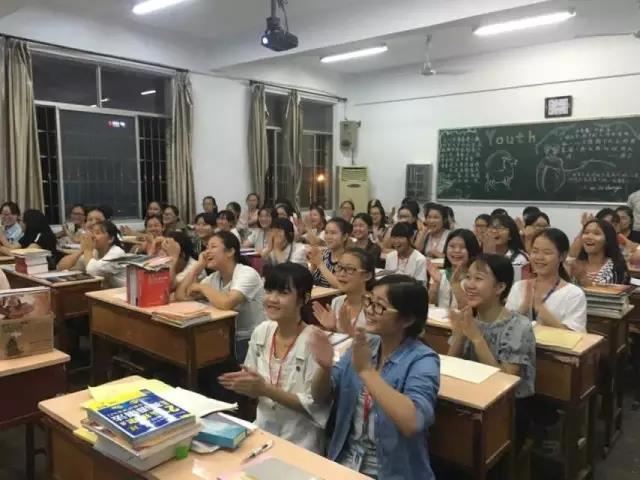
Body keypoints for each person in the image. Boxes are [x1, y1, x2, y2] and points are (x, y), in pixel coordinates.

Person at [309, 275, 440, 480]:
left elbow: (413, 422)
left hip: (392, 473)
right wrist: (324, 368)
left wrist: (367, 372)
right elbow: (319, 397)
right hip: (345, 462)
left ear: (407, 319)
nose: (369, 310)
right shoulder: (366, 343)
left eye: (380, 306)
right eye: (369, 301)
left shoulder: (423, 359)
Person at [218, 263, 329, 454]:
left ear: (304, 299)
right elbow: (253, 391)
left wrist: (265, 389)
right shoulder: (262, 331)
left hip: (301, 442)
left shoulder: (314, 341)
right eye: (269, 291)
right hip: (263, 434)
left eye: (283, 293)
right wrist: (246, 386)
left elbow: (314, 405)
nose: (272, 299)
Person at [447, 253, 536, 448]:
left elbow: (506, 382)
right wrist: (461, 332)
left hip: (508, 410)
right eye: (468, 277)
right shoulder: (469, 317)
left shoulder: (518, 326)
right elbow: (450, 364)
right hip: (472, 397)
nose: (470, 285)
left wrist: (476, 338)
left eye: (478, 279)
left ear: (500, 287)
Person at [176, 231, 265, 361]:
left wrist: (202, 287)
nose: (207, 252)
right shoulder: (214, 277)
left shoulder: (246, 273)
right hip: (224, 336)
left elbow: (227, 303)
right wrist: (197, 267)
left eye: (213, 247)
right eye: (206, 247)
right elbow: (181, 297)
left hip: (250, 339)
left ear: (230, 252)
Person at [507, 228, 587, 332]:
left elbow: (575, 336)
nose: (539, 257)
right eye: (535, 251)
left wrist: (540, 308)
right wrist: (524, 307)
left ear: (562, 256)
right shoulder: (519, 287)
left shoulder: (574, 294)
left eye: (547, 252)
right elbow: (504, 327)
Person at [312, 247, 375, 332]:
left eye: (349, 269)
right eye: (339, 267)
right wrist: (331, 328)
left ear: (367, 276)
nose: (341, 274)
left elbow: (377, 340)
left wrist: (348, 330)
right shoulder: (337, 301)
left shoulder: (375, 307)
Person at [57, 221, 127, 288]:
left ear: (110, 239)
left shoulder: (117, 253)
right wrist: (82, 250)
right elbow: (61, 267)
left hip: (123, 293)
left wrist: (87, 250)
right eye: (92, 232)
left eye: (97, 233)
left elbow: (93, 271)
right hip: (106, 292)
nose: (93, 236)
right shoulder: (94, 252)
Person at [427, 229, 481, 309]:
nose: (457, 250)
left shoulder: (476, 279)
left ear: (472, 250)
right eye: (452, 246)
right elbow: (430, 302)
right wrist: (436, 283)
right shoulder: (440, 274)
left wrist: (456, 284)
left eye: (463, 247)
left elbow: (469, 309)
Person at [570, 219, 629, 286]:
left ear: (607, 239)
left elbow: (606, 291)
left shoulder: (613, 267)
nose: (589, 237)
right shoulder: (577, 264)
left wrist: (582, 277)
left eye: (596, 233)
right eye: (586, 233)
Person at [485, 214, 529, 282]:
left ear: (510, 235)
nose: (494, 231)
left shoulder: (519, 259)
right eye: (491, 227)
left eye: (499, 228)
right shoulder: (483, 254)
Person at [309, 218, 352, 288]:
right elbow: (311, 280)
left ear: (344, 237)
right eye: (326, 233)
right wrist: (312, 267)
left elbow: (340, 285)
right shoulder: (324, 253)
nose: (328, 237)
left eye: (333, 233)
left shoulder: (350, 259)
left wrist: (320, 264)